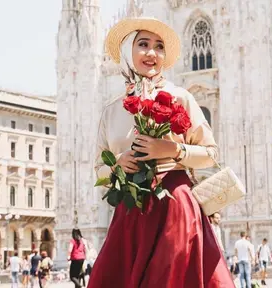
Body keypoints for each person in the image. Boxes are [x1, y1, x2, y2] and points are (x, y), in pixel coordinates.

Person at [88, 17, 234, 288]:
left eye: (159, 47)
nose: (152, 53)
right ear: (128, 51)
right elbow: (99, 169)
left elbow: (210, 153)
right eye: (143, 44)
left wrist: (173, 150)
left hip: (175, 205)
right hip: (132, 210)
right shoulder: (111, 110)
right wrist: (118, 164)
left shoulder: (180, 97)